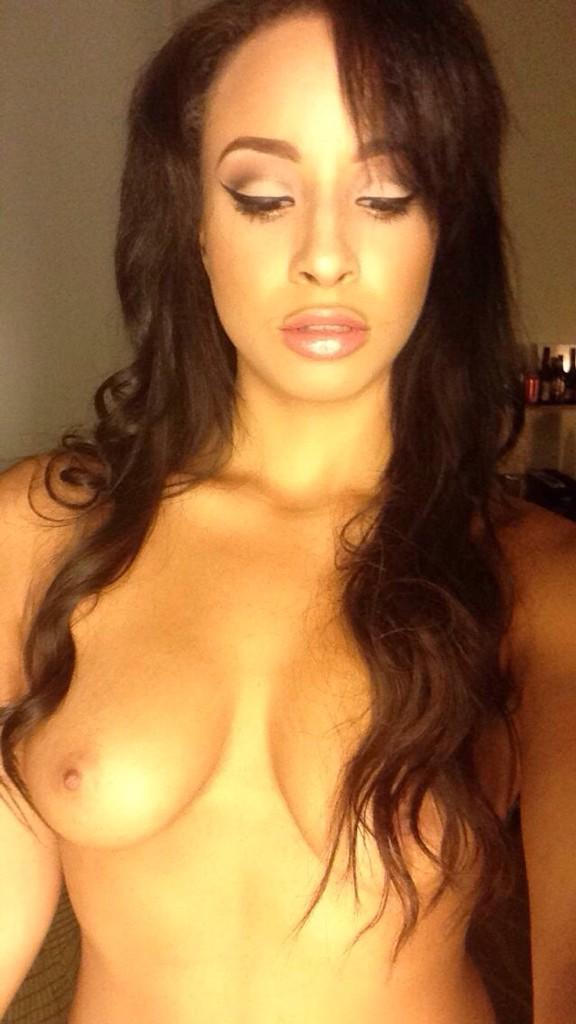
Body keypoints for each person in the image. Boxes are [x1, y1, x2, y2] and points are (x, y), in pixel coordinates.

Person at [1, 0, 575, 1021]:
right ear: (194, 221)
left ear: (444, 229)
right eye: (264, 197)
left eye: (386, 195)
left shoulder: (535, 581)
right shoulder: (41, 534)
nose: (325, 254)